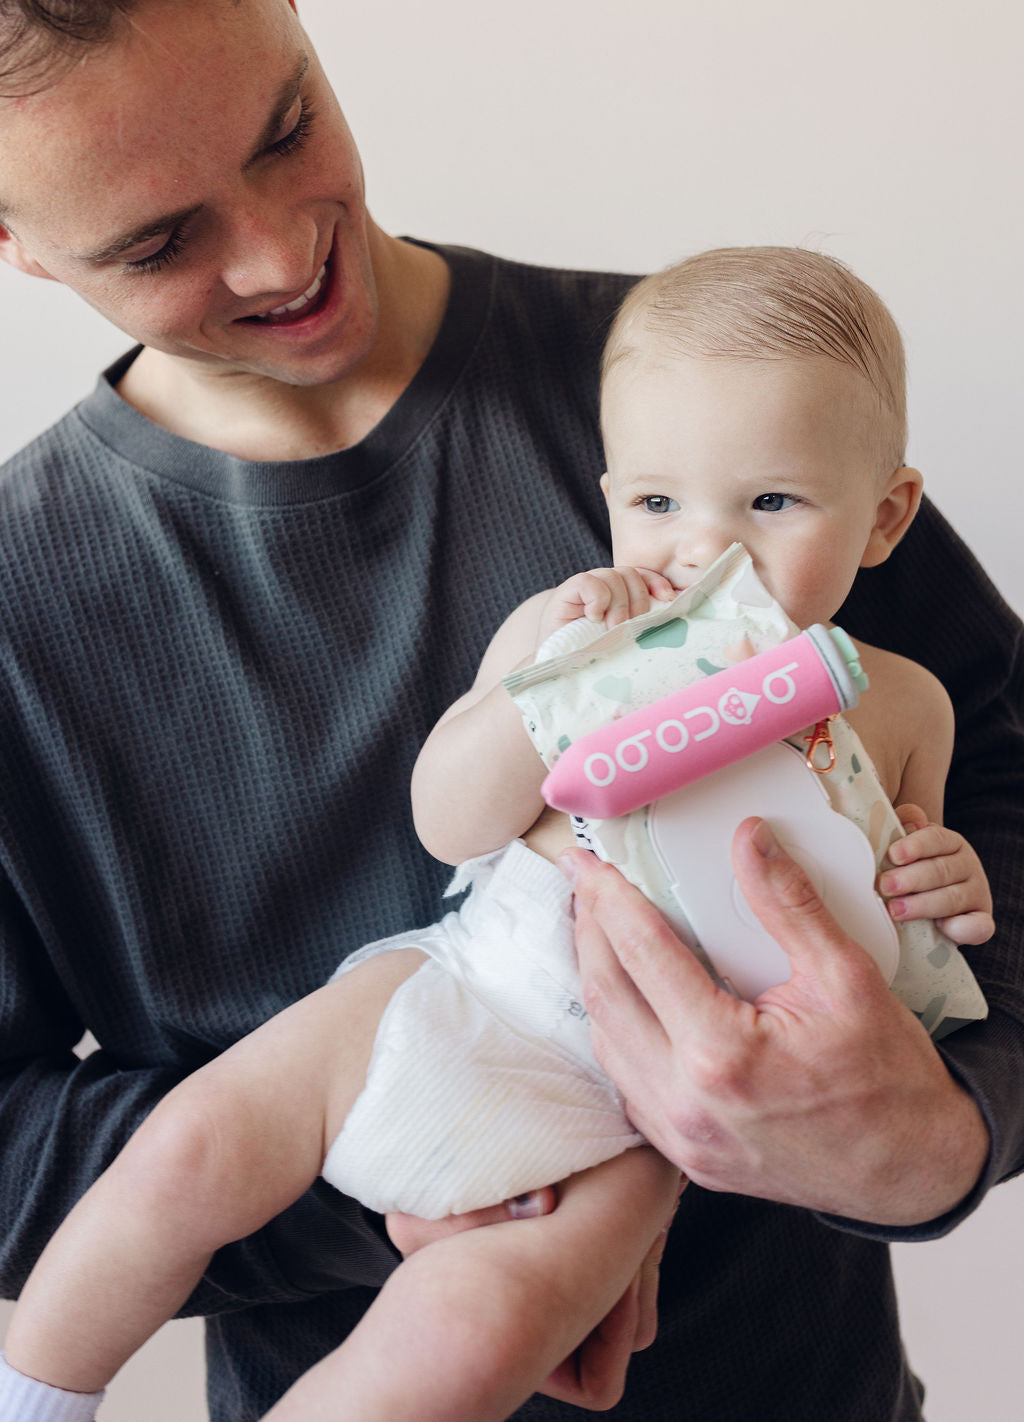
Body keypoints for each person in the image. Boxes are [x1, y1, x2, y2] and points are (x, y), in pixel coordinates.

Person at [0, 1, 1020, 1419]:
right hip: (429, 1089)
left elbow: (994, 821)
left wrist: (947, 1127)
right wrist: (384, 1190)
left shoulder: (719, 392)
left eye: (288, 125)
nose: (285, 252)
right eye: (160, 239)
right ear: (18, 243)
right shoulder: (20, 601)